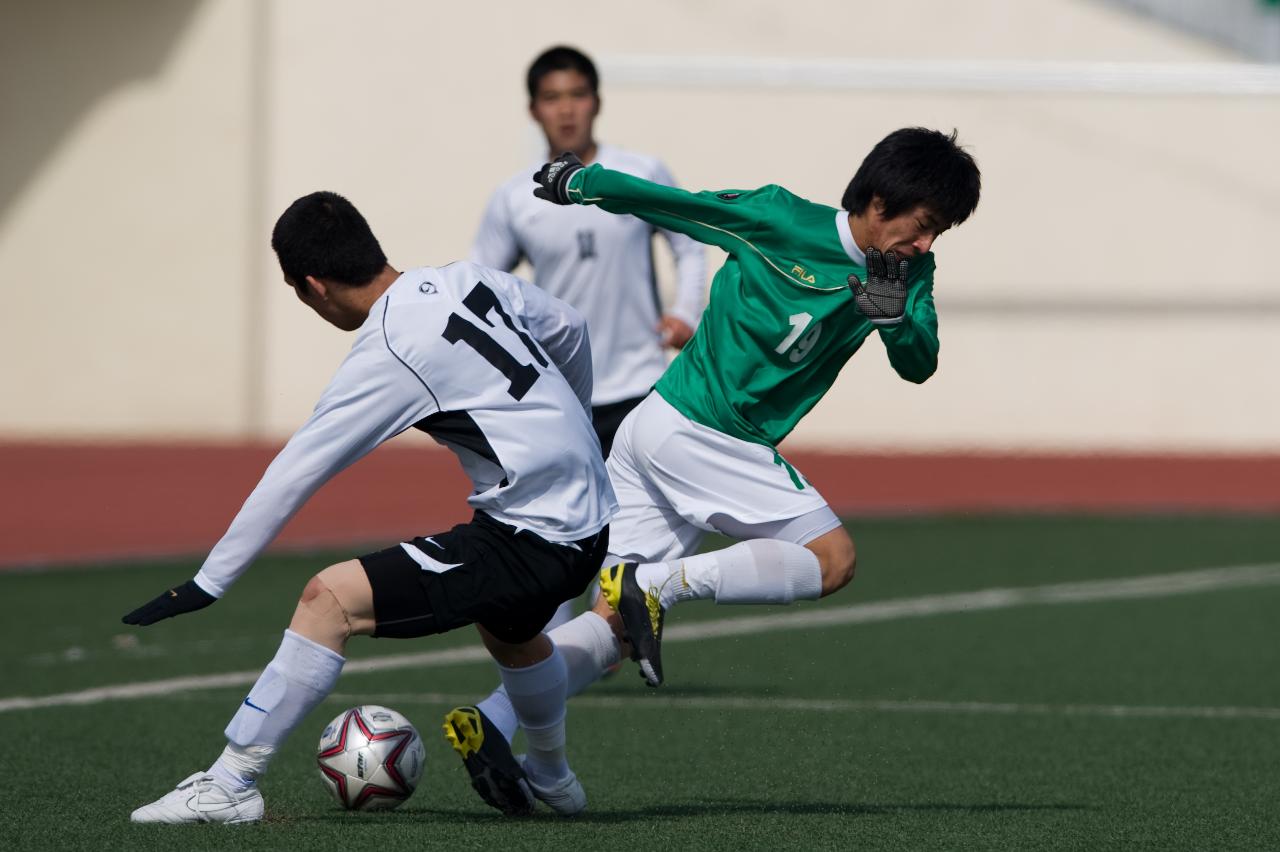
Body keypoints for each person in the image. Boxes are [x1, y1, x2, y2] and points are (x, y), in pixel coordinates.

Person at [443, 127, 981, 802]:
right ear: (879, 199)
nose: (926, 245)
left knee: (612, 630)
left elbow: (920, 365)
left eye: (940, 234)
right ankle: (661, 583)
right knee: (833, 560)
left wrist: (896, 317)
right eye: (924, 226)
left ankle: (509, 738)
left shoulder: (908, 274)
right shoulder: (778, 217)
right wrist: (585, 183)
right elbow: (678, 205)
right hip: (707, 430)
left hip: (653, 431)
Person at [123, 191, 616, 823]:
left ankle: (229, 784)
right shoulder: (463, 279)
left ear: (312, 287)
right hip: (591, 516)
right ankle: (552, 775)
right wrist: (573, 430)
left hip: (535, 537)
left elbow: (297, 470)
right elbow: (570, 327)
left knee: (327, 601)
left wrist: (208, 581)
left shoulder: (390, 347)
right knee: (511, 632)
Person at [470, 45, 707, 458]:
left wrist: (686, 311)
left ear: (596, 103)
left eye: (577, 95)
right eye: (552, 98)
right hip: (559, 393)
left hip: (643, 386)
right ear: (533, 111)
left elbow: (688, 245)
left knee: (656, 518)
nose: (566, 111)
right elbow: (481, 286)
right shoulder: (514, 197)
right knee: (574, 521)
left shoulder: (639, 173)